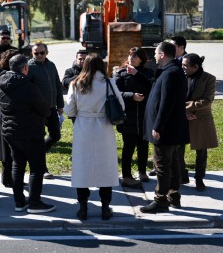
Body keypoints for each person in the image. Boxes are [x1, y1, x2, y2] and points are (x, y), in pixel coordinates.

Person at [64, 53, 124, 221]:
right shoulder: (108, 83)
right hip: (104, 128)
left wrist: (82, 112)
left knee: (82, 168)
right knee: (105, 168)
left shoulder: (76, 84)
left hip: (84, 127)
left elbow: (68, 110)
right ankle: (105, 207)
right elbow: (121, 105)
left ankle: (83, 208)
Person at [0, 54, 56, 214]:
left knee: (17, 165)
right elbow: (45, 110)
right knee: (36, 169)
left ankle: (19, 202)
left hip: (10, 132)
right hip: (30, 132)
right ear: (25, 68)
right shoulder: (28, 86)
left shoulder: (3, 82)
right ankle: (35, 202)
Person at [141, 41, 188, 214]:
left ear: (162, 55)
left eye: (155, 52)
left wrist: (158, 126)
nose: (153, 55)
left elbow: (167, 103)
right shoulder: (171, 71)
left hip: (166, 129)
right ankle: (173, 196)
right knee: (174, 163)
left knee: (162, 165)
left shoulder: (171, 73)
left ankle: (161, 200)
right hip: (173, 128)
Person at [114, 47, 154, 187]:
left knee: (143, 145)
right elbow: (116, 93)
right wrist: (132, 96)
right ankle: (126, 174)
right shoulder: (121, 73)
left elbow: (152, 87)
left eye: (135, 56)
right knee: (128, 147)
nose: (131, 58)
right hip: (128, 116)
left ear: (142, 59)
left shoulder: (148, 73)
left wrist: (137, 74)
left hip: (144, 115)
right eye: (130, 55)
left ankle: (142, 171)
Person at [182, 53, 219, 191]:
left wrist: (185, 107)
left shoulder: (209, 79)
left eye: (185, 65)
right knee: (178, 149)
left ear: (195, 67)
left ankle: (199, 178)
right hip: (182, 118)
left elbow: (207, 100)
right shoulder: (180, 76)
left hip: (200, 120)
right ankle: (182, 175)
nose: (183, 67)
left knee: (201, 151)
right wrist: (183, 112)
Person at [27, 42, 64, 179]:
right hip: (37, 110)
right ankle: (42, 168)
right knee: (38, 139)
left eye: (42, 53)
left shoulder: (51, 65)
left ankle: (37, 155)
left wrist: (60, 105)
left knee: (56, 135)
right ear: (32, 53)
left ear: (46, 52)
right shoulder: (29, 67)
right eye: (36, 53)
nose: (39, 55)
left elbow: (57, 86)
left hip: (52, 108)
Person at [0, 49, 22, 187]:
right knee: (7, 149)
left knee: (8, 149)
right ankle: (8, 178)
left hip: (5, 112)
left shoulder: (4, 74)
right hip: (7, 112)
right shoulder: (7, 75)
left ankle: (9, 177)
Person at [170, 35, 190, 184]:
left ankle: (181, 174)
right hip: (171, 107)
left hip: (182, 108)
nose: (171, 49)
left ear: (181, 48)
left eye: (174, 46)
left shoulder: (188, 62)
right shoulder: (169, 60)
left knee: (179, 145)